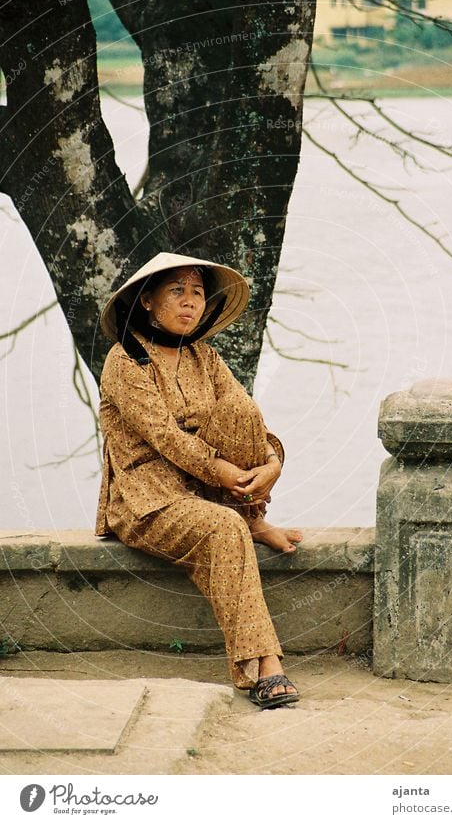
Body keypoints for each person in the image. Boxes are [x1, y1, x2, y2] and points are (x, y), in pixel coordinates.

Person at [95, 252, 302, 709]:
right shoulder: (125, 362)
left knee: (239, 410)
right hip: (148, 501)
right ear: (147, 300)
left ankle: (250, 515)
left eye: (197, 293)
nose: (190, 303)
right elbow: (167, 439)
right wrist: (225, 472)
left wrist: (272, 463)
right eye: (177, 291)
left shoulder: (203, 356)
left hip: (208, 492)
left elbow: (249, 422)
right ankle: (265, 666)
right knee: (222, 529)